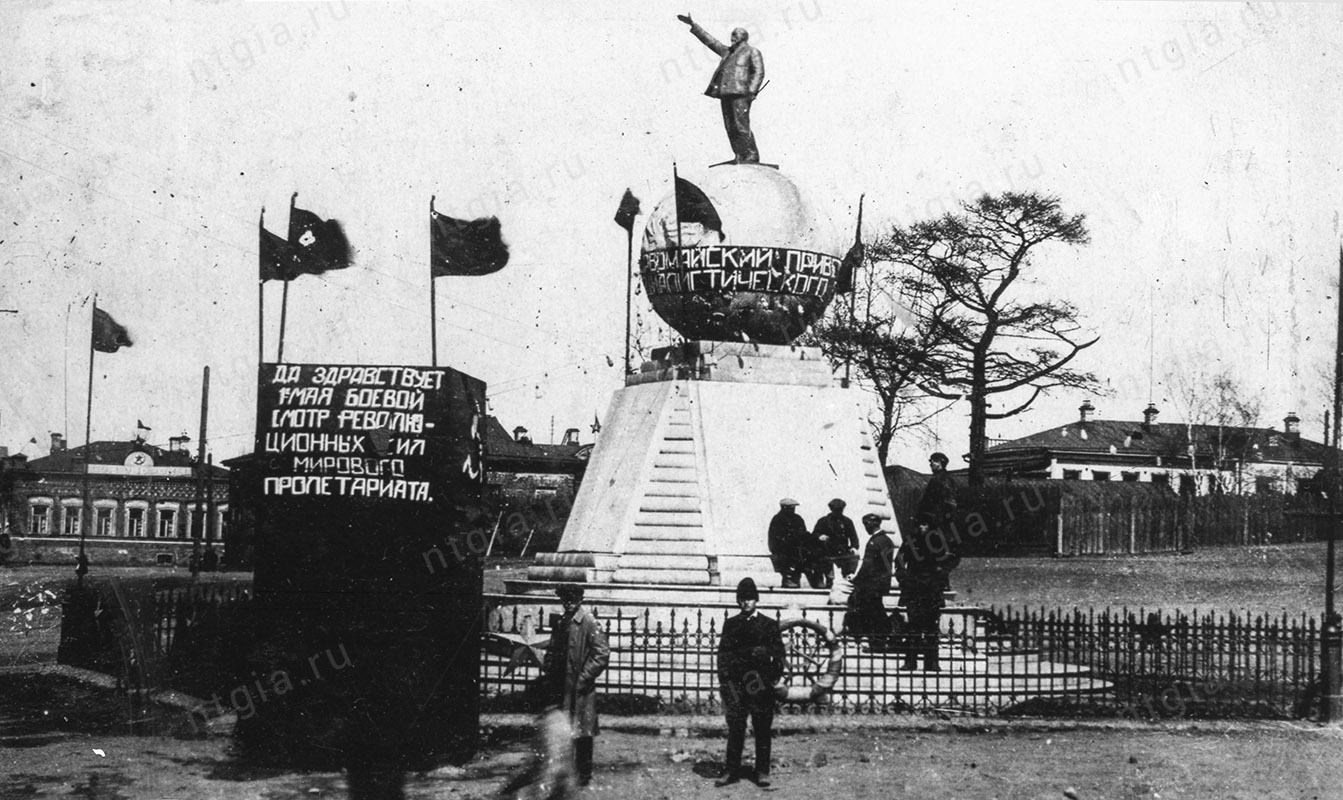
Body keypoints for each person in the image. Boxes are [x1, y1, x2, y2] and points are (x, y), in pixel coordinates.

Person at [716, 578, 785, 787]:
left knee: (762, 727)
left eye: (750, 599)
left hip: (761, 685)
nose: (746, 603)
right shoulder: (732, 624)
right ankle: (731, 770)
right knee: (736, 727)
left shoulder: (769, 624)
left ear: (756, 600)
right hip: (737, 684)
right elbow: (723, 656)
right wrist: (726, 683)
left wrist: (771, 676)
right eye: (742, 599)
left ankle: (762, 771)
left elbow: (779, 655)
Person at [896, 452, 963, 671]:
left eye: (934, 461)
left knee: (929, 625)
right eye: (931, 462)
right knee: (915, 625)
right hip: (918, 588)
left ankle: (930, 662)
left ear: (942, 463)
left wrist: (940, 521)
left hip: (930, 586)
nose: (931, 464)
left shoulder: (943, 480)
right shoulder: (914, 542)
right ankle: (913, 661)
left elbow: (947, 503)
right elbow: (902, 558)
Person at [542, 585, 610, 787]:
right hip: (560, 681)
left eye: (572, 599)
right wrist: (548, 665)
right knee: (563, 727)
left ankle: (583, 773)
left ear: (580, 599)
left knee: (582, 731)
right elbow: (553, 647)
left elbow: (601, 653)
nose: (568, 603)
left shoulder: (588, 621)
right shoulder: (562, 621)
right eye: (565, 599)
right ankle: (564, 770)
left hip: (579, 686)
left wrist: (584, 678)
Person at [676, 14, 765, 164]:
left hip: (741, 94)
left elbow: (759, 72)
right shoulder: (727, 52)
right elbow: (711, 41)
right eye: (732, 35)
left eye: (736, 35)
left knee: (741, 125)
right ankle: (739, 154)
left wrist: (751, 91)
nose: (732, 38)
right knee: (730, 126)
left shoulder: (752, 52)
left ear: (744, 37)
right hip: (725, 93)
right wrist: (693, 25)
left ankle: (751, 154)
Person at [846, 513, 896, 650]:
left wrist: (855, 579)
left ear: (870, 524)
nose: (866, 528)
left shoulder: (875, 542)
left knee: (872, 613)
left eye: (866, 525)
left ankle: (877, 640)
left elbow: (868, 565)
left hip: (871, 585)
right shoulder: (886, 540)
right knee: (876, 611)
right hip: (880, 583)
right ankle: (879, 640)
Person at [810, 498, 860, 588]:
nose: (838, 512)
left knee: (853, 556)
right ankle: (826, 579)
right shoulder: (824, 521)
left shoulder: (847, 521)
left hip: (842, 549)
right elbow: (815, 534)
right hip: (827, 548)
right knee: (820, 555)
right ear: (831, 509)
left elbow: (854, 537)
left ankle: (847, 578)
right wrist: (820, 536)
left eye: (840, 510)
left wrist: (854, 547)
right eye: (836, 510)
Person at [766, 498, 807, 588]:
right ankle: (788, 579)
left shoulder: (798, 519)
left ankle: (796, 578)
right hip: (783, 549)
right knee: (788, 558)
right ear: (784, 508)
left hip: (796, 549)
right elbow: (775, 538)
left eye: (793, 508)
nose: (793, 510)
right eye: (790, 508)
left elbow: (803, 533)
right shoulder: (778, 519)